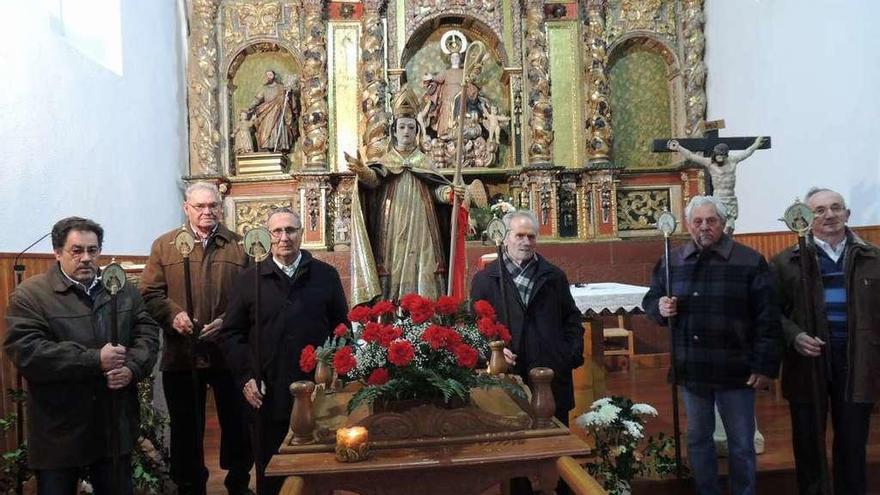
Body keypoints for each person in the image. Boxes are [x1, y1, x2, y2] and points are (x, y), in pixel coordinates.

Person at [4, 217, 159, 495]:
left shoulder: (121, 290)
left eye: (93, 250)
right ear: (57, 251)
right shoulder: (31, 295)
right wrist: (94, 360)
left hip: (113, 423)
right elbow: (27, 352)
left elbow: (146, 333)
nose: (86, 258)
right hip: (59, 429)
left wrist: (132, 368)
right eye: (77, 250)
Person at [642, 195, 781, 495]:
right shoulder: (672, 259)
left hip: (737, 368)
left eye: (711, 220)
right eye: (698, 221)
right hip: (693, 367)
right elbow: (651, 299)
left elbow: (768, 318)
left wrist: (764, 365)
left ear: (723, 223)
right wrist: (660, 308)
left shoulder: (749, 260)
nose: (704, 227)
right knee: (697, 438)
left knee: (741, 443)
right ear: (689, 225)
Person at [221, 208, 348, 495]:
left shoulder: (325, 276)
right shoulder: (249, 279)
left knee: (317, 467)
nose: (284, 238)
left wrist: (334, 368)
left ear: (302, 233)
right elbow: (231, 333)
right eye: (277, 231)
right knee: (273, 469)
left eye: (290, 230)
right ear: (267, 236)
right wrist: (245, 378)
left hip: (316, 388)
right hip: (268, 387)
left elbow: (342, 328)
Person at [140, 182, 253, 495]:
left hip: (228, 352)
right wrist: (172, 314)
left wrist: (228, 321)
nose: (207, 212)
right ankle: (191, 485)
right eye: (200, 206)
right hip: (182, 352)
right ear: (186, 208)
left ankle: (238, 482)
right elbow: (149, 292)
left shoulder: (239, 245)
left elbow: (251, 295)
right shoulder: (164, 245)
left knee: (237, 422)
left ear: (221, 206)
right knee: (186, 427)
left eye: (213, 206)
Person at [770, 187, 879, 495]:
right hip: (807, 363)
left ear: (847, 214)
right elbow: (770, 313)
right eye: (819, 210)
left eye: (835, 207)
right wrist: (795, 336)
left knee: (853, 442)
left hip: (857, 361)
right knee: (808, 443)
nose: (829, 215)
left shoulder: (873, 258)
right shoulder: (785, 262)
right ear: (805, 218)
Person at [470, 210, 584, 495]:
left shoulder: (553, 276)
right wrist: (491, 353)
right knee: (517, 456)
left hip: (551, 376)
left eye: (531, 236)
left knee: (556, 450)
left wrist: (567, 355)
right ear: (506, 238)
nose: (526, 241)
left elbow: (572, 320)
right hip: (511, 380)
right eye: (519, 235)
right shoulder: (485, 281)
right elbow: (475, 329)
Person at [346, 88, 461, 304]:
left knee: (424, 262)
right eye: (402, 127)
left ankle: (427, 317)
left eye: (410, 127)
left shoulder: (425, 162)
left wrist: (447, 193)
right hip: (393, 220)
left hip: (422, 222)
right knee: (393, 263)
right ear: (394, 132)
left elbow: (435, 189)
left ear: (416, 131)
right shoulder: (387, 161)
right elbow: (373, 181)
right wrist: (363, 172)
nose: (406, 131)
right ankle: (391, 318)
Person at [667, 136, 765, 234]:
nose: (720, 158)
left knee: (730, 227)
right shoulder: (710, 163)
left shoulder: (733, 160)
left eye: (722, 156)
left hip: (730, 197)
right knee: (720, 225)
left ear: (726, 155)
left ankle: (725, 245)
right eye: (718, 156)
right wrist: (678, 147)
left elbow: (747, 153)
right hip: (719, 197)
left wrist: (756, 144)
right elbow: (691, 156)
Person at [246, 70, 300, 152]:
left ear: (274, 76)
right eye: (267, 75)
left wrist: (289, 96)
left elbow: (288, 98)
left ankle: (278, 146)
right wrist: (250, 107)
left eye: (270, 74)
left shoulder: (281, 87)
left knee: (278, 128)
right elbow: (257, 99)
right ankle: (266, 146)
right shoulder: (264, 88)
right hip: (266, 111)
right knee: (265, 129)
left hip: (279, 110)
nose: (269, 76)